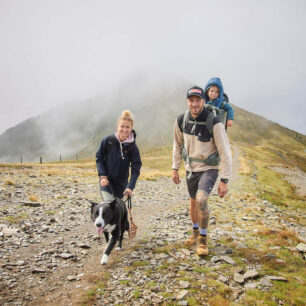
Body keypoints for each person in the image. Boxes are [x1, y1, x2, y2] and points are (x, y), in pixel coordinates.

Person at [172, 86, 232, 256]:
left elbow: (225, 151)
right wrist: (175, 168)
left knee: (201, 199)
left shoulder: (214, 122)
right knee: (192, 202)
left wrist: (224, 179)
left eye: (198, 100)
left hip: (209, 168)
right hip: (190, 168)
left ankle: (203, 240)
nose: (194, 104)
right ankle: (195, 232)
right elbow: (177, 145)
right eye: (191, 100)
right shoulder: (181, 120)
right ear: (187, 101)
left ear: (203, 101)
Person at [96, 110, 142, 201]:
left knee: (118, 212)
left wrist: (130, 187)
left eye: (127, 127)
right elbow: (99, 157)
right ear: (117, 127)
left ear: (131, 128)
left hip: (122, 187)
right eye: (122, 126)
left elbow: (136, 168)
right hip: (106, 183)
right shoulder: (108, 141)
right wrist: (102, 176)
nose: (124, 130)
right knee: (109, 207)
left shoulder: (133, 147)